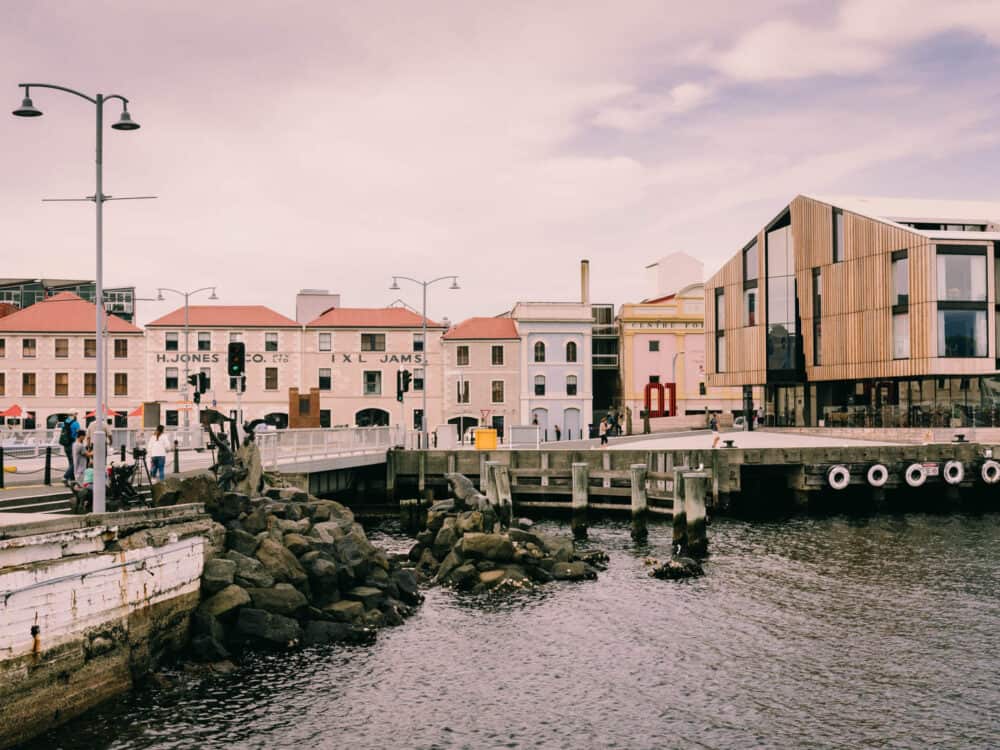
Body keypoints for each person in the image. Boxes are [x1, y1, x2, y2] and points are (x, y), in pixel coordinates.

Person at [60, 412, 80, 484]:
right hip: (73, 444)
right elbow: (78, 434)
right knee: (75, 462)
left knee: (70, 462)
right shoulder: (76, 423)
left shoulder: (64, 423)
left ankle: (71, 480)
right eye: (76, 415)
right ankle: (65, 477)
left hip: (66, 444)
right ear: (74, 415)